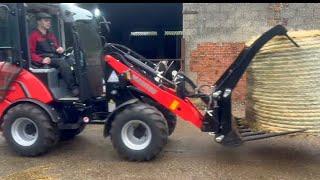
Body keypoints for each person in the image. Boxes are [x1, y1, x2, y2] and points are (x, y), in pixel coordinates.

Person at [29, 12, 79, 96]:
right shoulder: (34, 36)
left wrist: (59, 49)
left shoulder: (50, 35)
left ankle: (79, 84)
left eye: (49, 21)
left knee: (72, 60)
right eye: (46, 21)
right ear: (39, 22)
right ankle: (73, 88)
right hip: (45, 59)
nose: (49, 23)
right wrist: (41, 60)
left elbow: (56, 46)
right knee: (62, 63)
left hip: (54, 57)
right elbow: (31, 53)